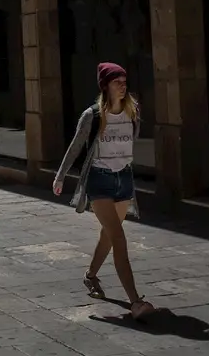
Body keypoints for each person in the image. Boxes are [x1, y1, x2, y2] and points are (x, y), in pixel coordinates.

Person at [53, 62, 155, 320]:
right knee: (119, 238)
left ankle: (90, 276)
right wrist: (61, 175)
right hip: (99, 181)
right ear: (105, 86)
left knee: (108, 236)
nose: (123, 85)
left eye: (124, 80)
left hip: (124, 180)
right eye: (117, 81)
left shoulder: (133, 112)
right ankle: (135, 302)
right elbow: (76, 146)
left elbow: (132, 142)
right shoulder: (93, 115)